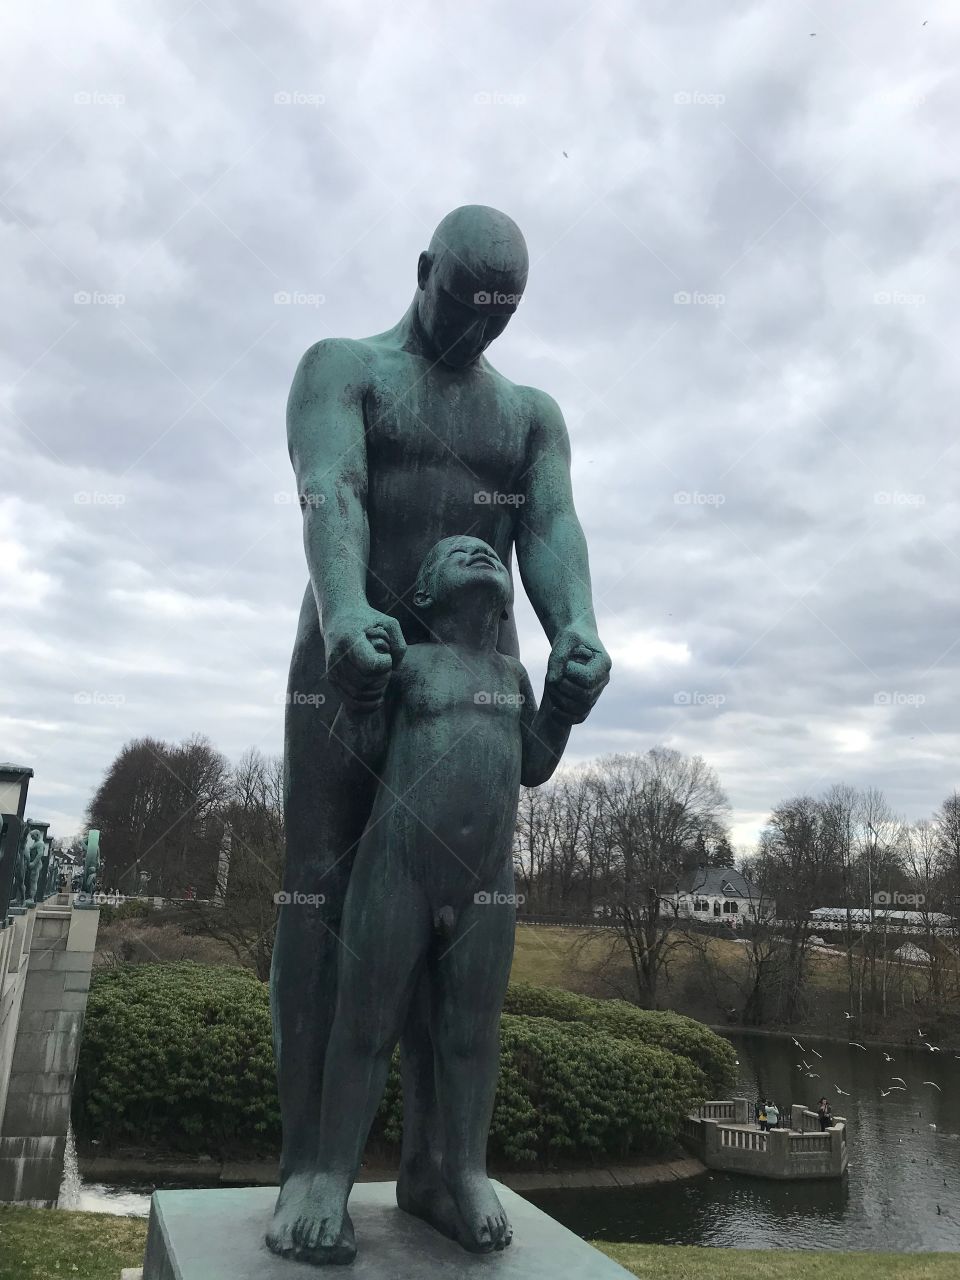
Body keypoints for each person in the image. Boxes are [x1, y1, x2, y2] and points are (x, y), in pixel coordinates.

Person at [269, 205, 611, 1262]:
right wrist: (345, 611)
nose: (475, 332)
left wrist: (577, 632)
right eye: (462, 305)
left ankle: (438, 1167)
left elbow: (549, 526)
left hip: (476, 680)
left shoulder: (529, 416)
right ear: (425, 273)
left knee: (465, 922)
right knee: (322, 897)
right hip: (347, 662)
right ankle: (312, 1166)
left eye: (496, 317)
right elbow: (336, 489)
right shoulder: (344, 368)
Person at [301, 536, 575, 1261]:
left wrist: (564, 704)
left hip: (486, 883)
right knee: (366, 1027)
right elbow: (354, 749)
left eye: (489, 552)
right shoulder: (410, 664)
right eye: (459, 553)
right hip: (398, 871)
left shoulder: (512, 675)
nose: (483, 554)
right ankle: (330, 1181)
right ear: (422, 596)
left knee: (470, 1035)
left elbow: (536, 765)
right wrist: (361, 684)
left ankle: (465, 1172)